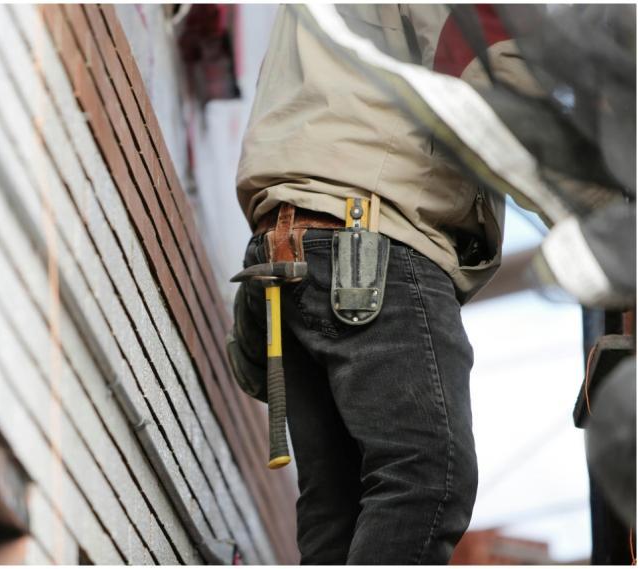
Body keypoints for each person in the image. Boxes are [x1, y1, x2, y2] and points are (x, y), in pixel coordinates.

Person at [229, 5, 541, 564]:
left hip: (294, 243)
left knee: (339, 510)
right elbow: (493, 79)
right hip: (369, 243)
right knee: (428, 476)